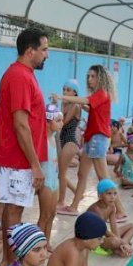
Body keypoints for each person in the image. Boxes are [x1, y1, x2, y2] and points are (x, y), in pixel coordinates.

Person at [0, 28, 50, 266]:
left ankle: (9, 260)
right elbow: (20, 124)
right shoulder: (19, 76)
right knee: (14, 209)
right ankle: (12, 263)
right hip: (17, 159)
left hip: (20, 158)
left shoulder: (25, 74)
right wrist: (35, 165)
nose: (47, 55)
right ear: (30, 51)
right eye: (44, 50)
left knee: (14, 208)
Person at [54, 65, 119, 217]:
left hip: (98, 137)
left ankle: (119, 210)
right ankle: (74, 206)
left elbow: (85, 100)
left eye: (93, 76)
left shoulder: (102, 93)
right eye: (88, 76)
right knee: (82, 174)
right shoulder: (99, 95)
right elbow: (91, 108)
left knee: (103, 177)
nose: (89, 79)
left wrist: (62, 97)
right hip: (91, 138)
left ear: (101, 78)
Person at [87, 179, 133, 257]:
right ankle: (122, 246)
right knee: (114, 241)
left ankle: (121, 247)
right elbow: (104, 231)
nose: (112, 197)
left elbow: (114, 226)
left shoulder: (112, 206)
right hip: (94, 239)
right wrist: (121, 242)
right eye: (109, 193)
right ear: (100, 196)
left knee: (132, 226)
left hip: (103, 234)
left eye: (115, 193)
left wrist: (119, 240)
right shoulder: (96, 209)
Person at [38, 103, 64, 245]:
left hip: (55, 180)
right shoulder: (41, 140)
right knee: (44, 215)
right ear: (47, 123)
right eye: (58, 120)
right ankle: (37, 246)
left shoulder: (54, 137)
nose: (62, 123)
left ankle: (46, 243)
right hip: (46, 182)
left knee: (52, 214)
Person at [56, 79, 83, 209]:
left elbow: (63, 122)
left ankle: (61, 202)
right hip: (63, 140)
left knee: (61, 174)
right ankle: (76, 193)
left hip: (70, 141)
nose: (65, 92)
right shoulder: (66, 104)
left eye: (68, 90)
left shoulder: (75, 106)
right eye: (64, 89)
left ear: (75, 93)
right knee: (61, 173)